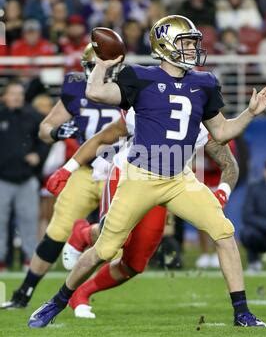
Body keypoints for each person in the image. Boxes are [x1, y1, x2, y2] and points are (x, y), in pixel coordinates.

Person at [28, 14, 266, 328]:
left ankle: (242, 313)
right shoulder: (140, 76)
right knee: (104, 249)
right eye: (185, 42)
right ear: (165, 45)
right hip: (140, 177)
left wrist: (250, 113)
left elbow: (223, 131)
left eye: (192, 42)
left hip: (179, 179)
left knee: (225, 234)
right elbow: (97, 94)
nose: (191, 48)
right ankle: (56, 301)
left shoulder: (204, 82)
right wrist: (102, 66)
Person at [47, 109, 238, 318]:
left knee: (135, 263)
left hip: (167, 185)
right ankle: (83, 233)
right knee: (117, 240)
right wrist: (67, 169)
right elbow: (102, 138)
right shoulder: (145, 105)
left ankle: (82, 292)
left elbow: (230, 164)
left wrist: (222, 194)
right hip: (126, 175)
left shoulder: (202, 122)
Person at [0, 44, 121, 308]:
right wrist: (56, 133)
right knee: (56, 232)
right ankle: (24, 293)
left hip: (119, 173)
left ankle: (81, 292)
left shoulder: (128, 86)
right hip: (85, 170)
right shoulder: (76, 88)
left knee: (118, 241)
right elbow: (45, 128)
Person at [0, 81, 49, 271]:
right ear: (5, 96)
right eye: (13, 93)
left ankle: (31, 260)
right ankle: (1, 260)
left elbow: (46, 139)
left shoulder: (33, 116)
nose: (17, 97)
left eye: (20, 93)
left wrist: (39, 155)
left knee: (30, 220)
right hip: (2, 178)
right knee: (0, 221)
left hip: (26, 178)